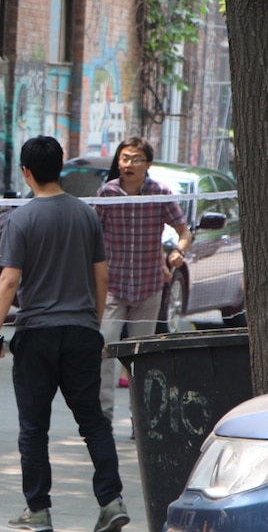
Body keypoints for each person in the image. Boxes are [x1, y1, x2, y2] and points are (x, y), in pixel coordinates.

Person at [0, 136, 129, 532]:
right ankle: (111, 501)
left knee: (34, 428)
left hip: (37, 335)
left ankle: (39, 510)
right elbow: (102, 275)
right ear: (61, 167)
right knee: (94, 422)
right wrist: (93, 324)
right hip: (82, 332)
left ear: (26, 172)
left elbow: (8, 280)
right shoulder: (86, 215)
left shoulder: (22, 217)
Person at [96, 137, 192, 422]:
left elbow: (185, 233)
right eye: (124, 158)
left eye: (136, 159)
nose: (128, 164)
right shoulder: (106, 193)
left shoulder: (160, 193)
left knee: (141, 359)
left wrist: (178, 252)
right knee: (104, 352)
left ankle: (141, 421)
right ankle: (102, 418)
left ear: (147, 164)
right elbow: (92, 235)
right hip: (112, 288)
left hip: (149, 288)